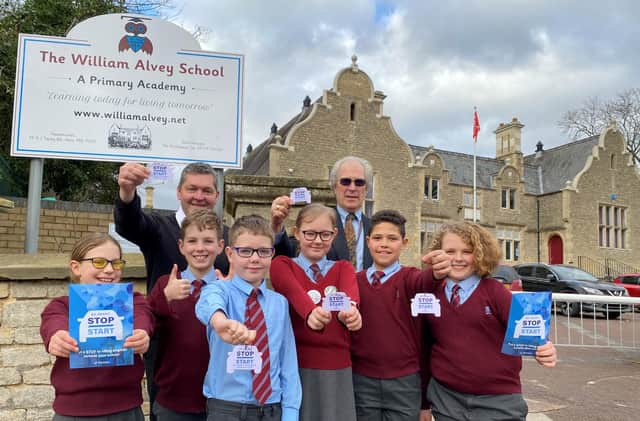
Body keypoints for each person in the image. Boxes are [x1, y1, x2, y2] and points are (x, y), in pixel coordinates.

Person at [114, 161, 229, 420]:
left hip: (217, 358)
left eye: (207, 190)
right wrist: (127, 191)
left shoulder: (227, 236)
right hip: (168, 359)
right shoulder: (157, 227)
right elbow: (129, 223)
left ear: (216, 196)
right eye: (192, 189)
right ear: (178, 192)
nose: (199, 196)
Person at [425, 221, 557, 421]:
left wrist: (544, 349)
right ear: (437, 253)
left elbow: (531, 332)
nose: (458, 258)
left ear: (479, 254)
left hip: (498, 401)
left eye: (467, 251)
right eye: (450, 251)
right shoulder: (429, 294)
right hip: (446, 399)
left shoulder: (495, 292)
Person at [195, 215, 302, 421]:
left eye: (263, 252)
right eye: (245, 251)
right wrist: (220, 321)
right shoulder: (219, 290)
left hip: (271, 409)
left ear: (272, 254)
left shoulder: (279, 303)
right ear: (230, 254)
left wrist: (291, 413)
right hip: (227, 409)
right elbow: (207, 303)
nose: (254, 258)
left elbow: (287, 361)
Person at [40, 233, 153, 421]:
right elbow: (53, 322)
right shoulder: (61, 305)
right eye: (99, 262)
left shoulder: (133, 300)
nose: (109, 269)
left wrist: (141, 333)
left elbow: (143, 315)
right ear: (76, 267)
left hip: (127, 409)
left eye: (116, 263)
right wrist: (57, 337)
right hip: (74, 412)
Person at [350, 210, 450, 421]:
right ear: (368, 241)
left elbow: (426, 281)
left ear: (404, 243)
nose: (384, 244)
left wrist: (436, 271)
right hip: (361, 380)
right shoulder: (353, 281)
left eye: (392, 238)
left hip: (404, 383)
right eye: (377, 238)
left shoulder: (410, 278)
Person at [270, 203, 363, 421]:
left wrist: (350, 313)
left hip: (336, 366)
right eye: (310, 233)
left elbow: (350, 298)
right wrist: (310, 312)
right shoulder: (283, 265)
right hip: (296, 364)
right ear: (296, 233)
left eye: (325, 234)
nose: (318, 240)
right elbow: (294, 292)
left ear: (334, 235)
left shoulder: (343, 268)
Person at [148, 210, 225, 421]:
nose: (200, 248)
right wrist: (165, 298)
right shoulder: (165, 284)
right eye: (192, 241)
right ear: (181, 246)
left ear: (220, 246)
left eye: (208, 241)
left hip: (221, 402)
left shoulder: (228, 287)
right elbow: (145, 324)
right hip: (173, 403)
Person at [271, 156, 373, 270]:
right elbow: (287, 256)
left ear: (367, 188)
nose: (352, 188)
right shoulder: (317, 221)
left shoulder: (375, 229)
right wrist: (277, 226)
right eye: (345, 181)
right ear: (334, 186)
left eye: (359, 182)